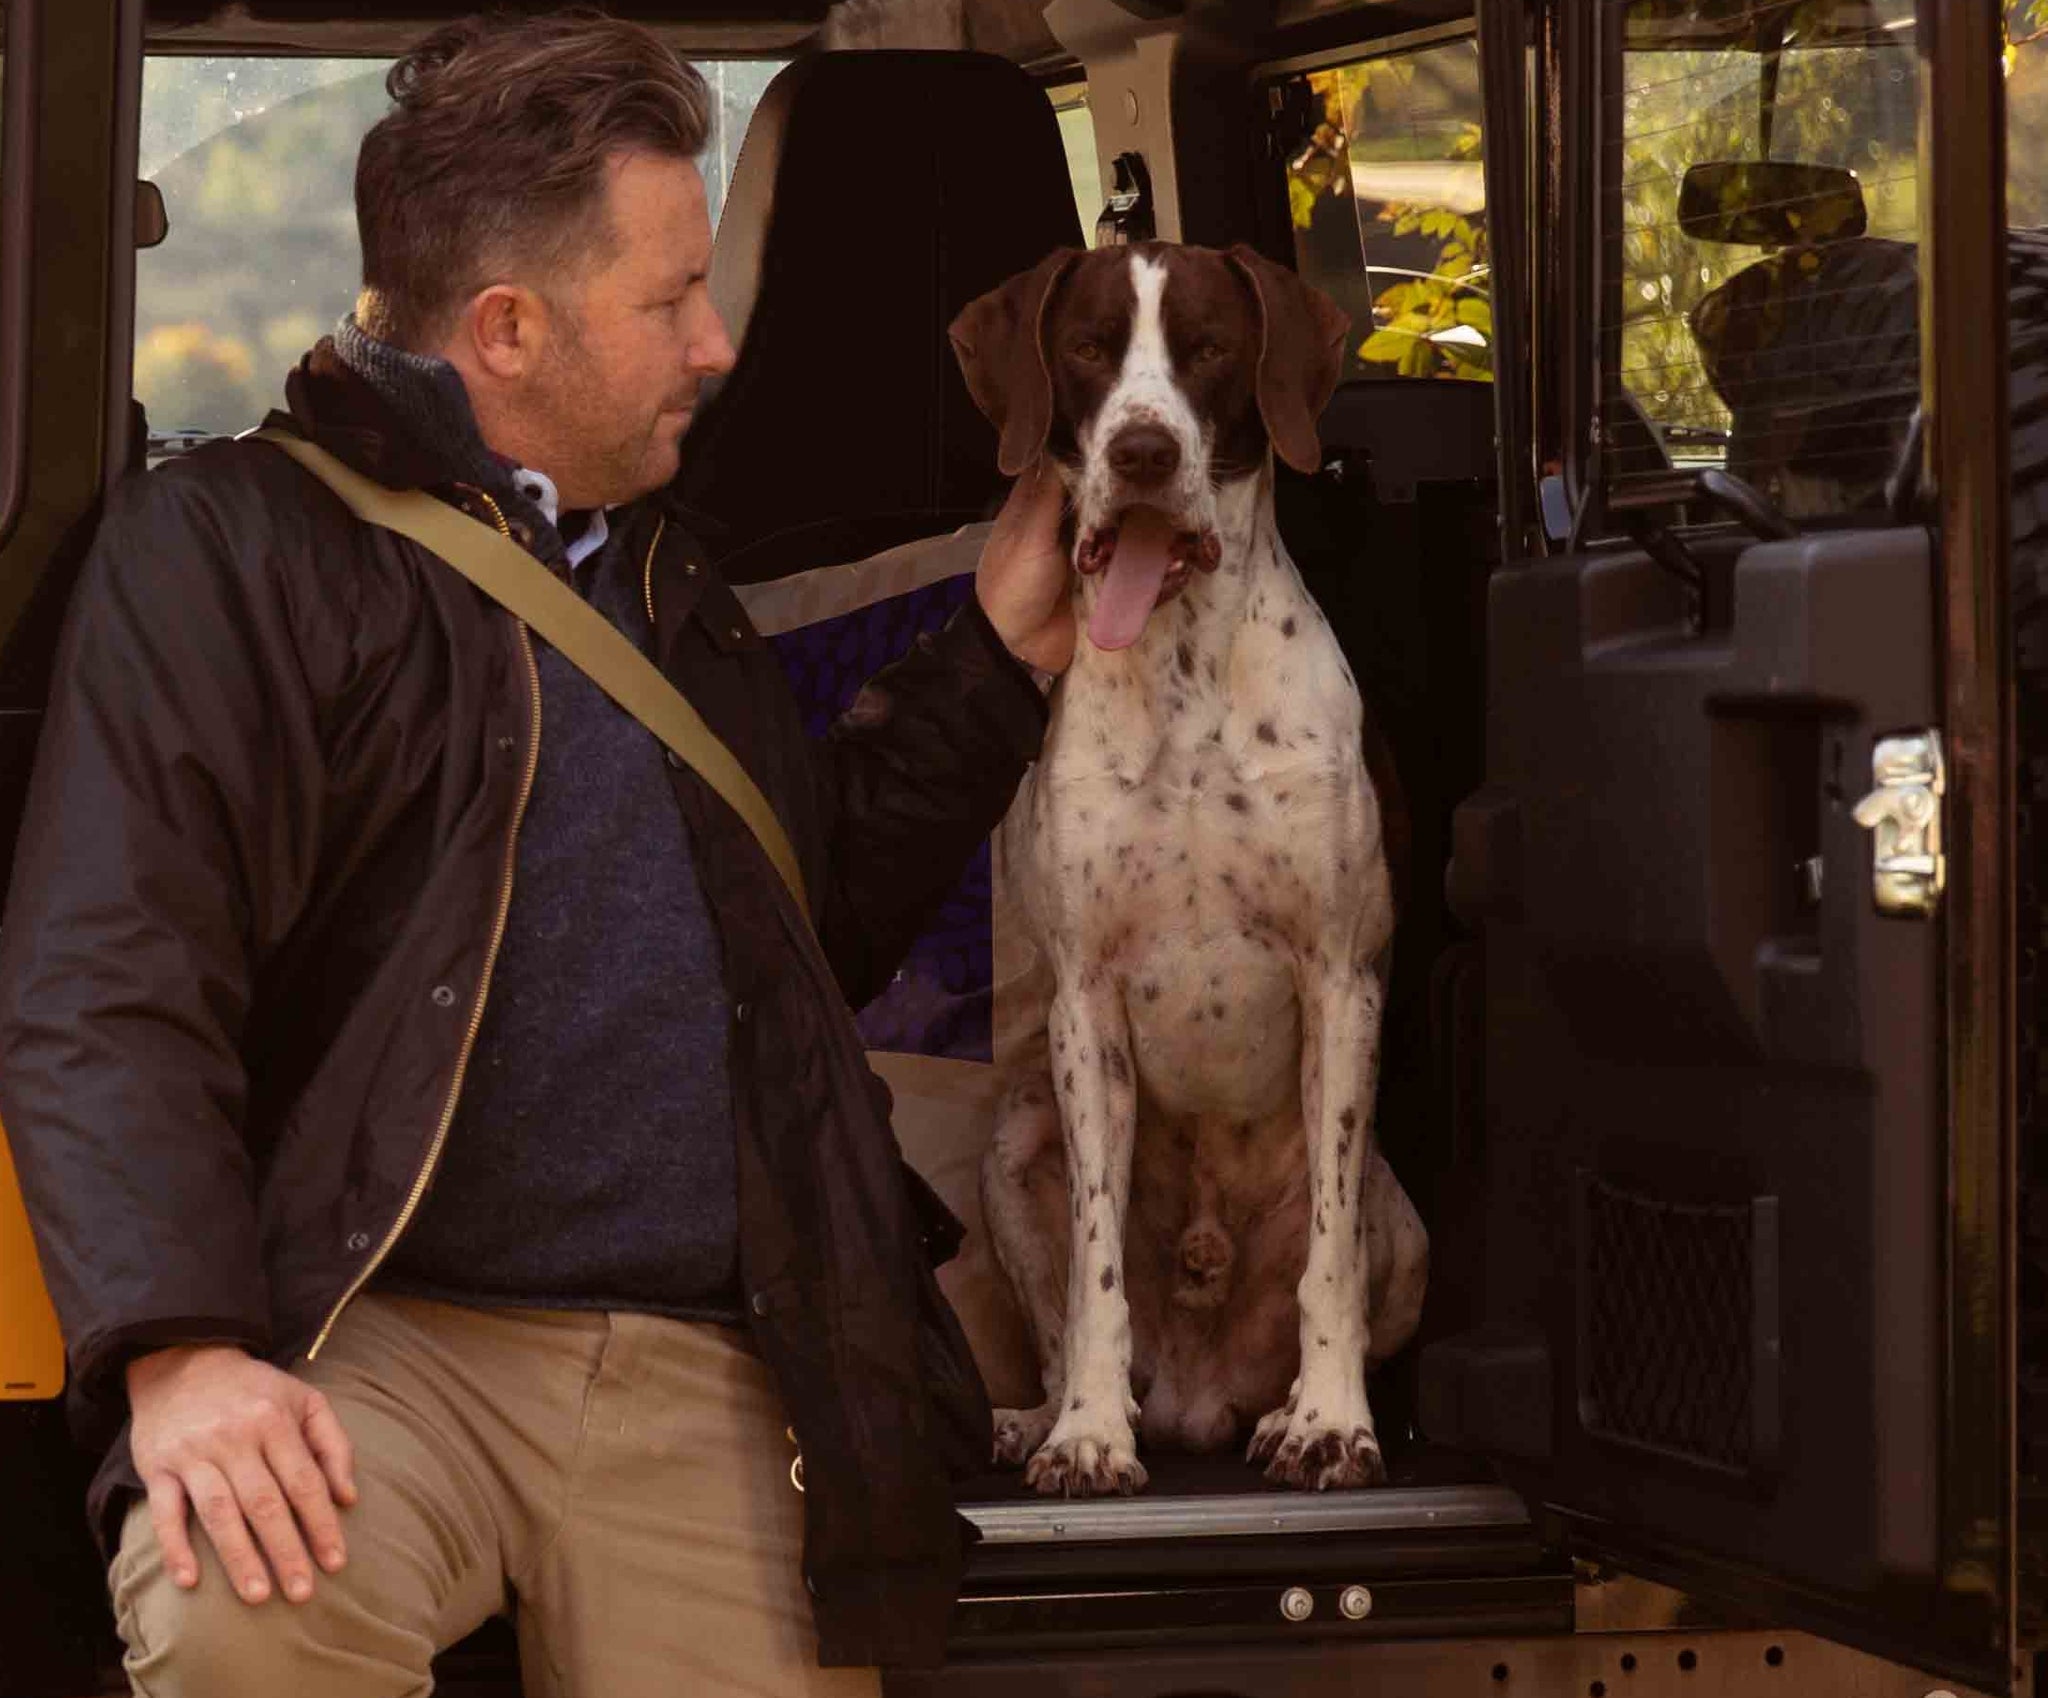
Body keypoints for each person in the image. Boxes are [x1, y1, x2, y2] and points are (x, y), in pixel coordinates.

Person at [0, 13, 1073, 1697]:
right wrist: (182, 1350)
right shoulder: (222, 551)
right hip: (379, 1338)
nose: (717, 343)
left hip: (712, 1356)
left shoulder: (668, 580)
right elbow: (109, 982)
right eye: (672, 300)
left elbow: (805, 928)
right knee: (237, 1603)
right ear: (507, 328)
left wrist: (997, 660)